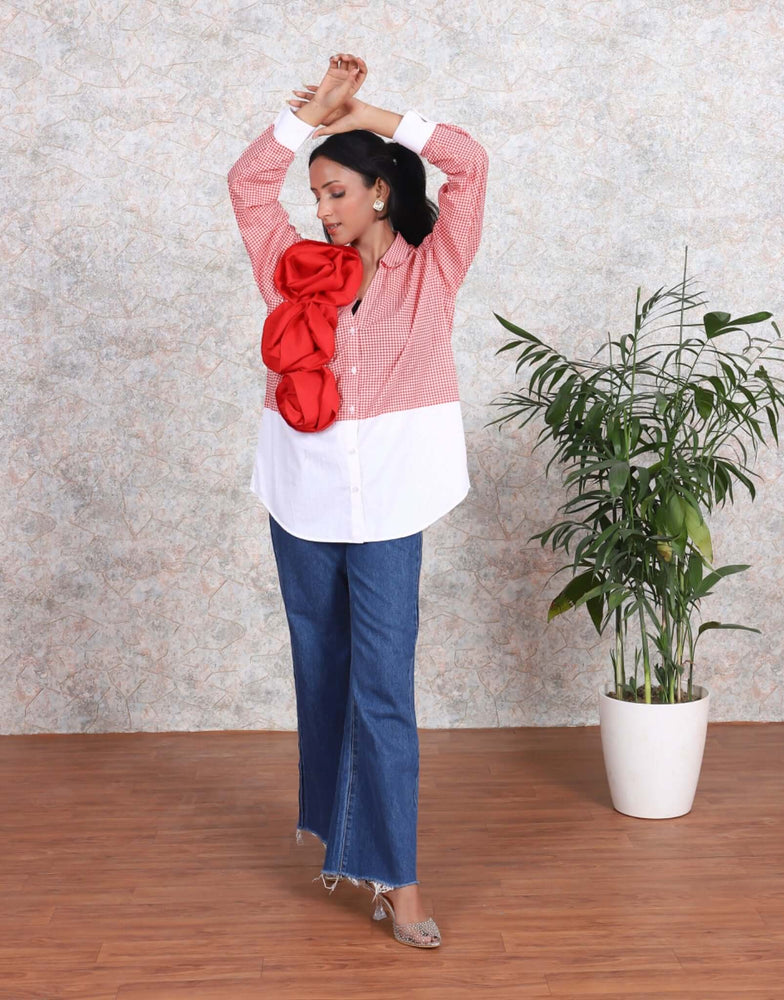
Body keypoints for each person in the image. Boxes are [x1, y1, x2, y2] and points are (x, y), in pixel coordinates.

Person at [227, 53, 488, 949]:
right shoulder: (292, 267)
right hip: (302, 494)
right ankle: (350, 848)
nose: (321, 210)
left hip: (389, 501)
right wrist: (309, 121)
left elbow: (472, 162)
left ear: (380, 191)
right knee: (322, 665)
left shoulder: (432, 269)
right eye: (316, 194)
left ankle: (401, 880)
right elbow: (246, 183)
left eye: (336, 191)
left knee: (384, 684)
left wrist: (367, 111)